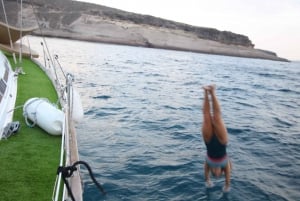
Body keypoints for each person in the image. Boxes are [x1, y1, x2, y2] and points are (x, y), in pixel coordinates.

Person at [201, 84, 231, 192]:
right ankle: (212, 92)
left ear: (213, 173)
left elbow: (205, 171)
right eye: (219, 175)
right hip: (222, 142)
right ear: (221, 172)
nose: (217, 175)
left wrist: (207, 180)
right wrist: (227, 185)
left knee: (206, 117)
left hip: (208, 142)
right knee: (217, 118)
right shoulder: (225, 164)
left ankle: (206, 92)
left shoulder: (208, 164)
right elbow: (228, 176)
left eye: (215, 175)